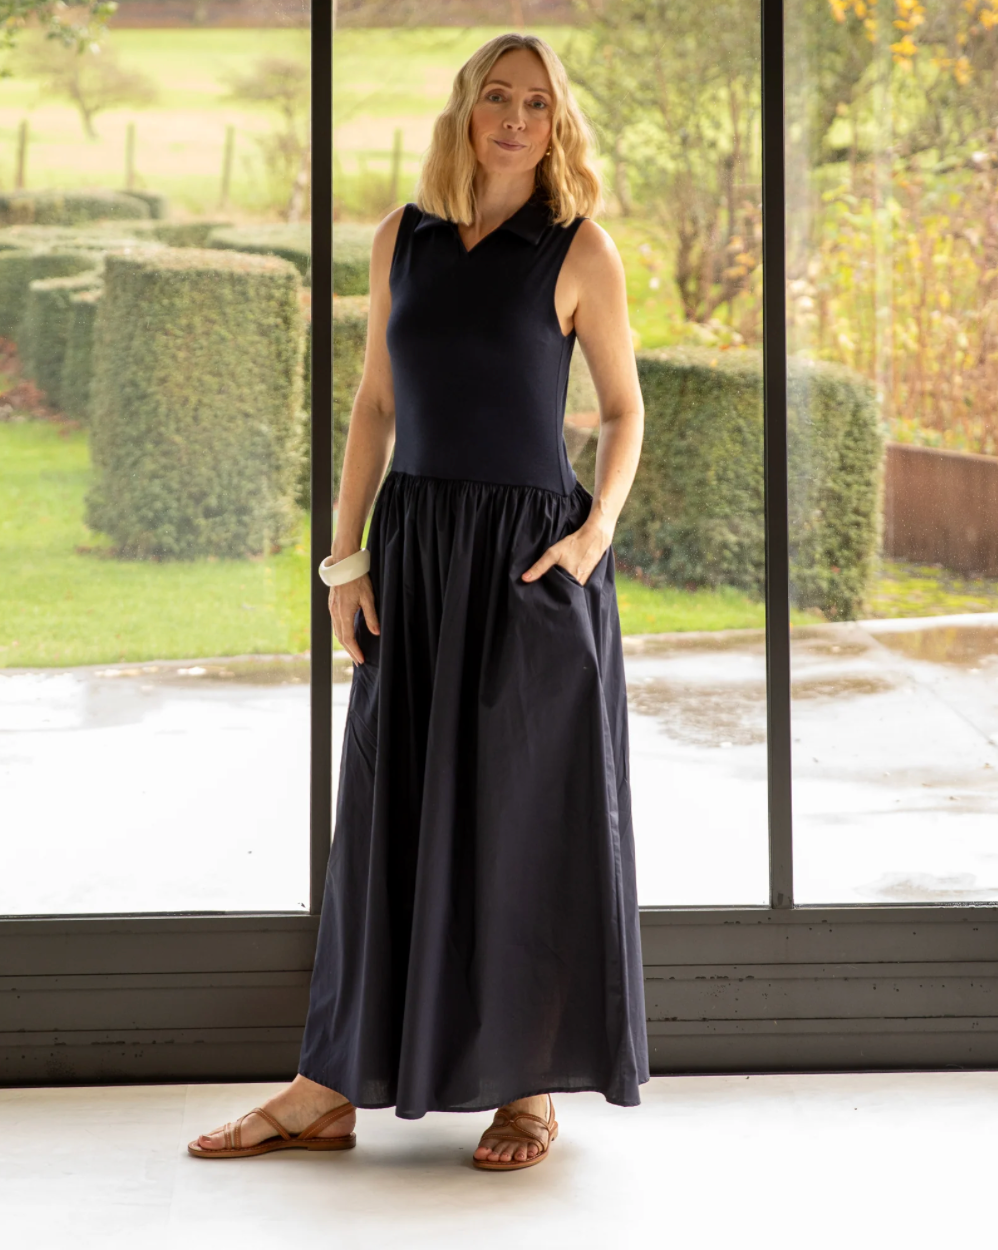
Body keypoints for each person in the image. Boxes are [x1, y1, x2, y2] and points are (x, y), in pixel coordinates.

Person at [190, 30, 648, 1172]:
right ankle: (327, 1087)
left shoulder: (579, 249)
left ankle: (527, 1089)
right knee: (383, 815)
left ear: (556, 123)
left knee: (522, 823)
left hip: (528, 568)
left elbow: (623, 412)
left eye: (535, 103)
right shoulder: (403, 235)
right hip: (414, 560)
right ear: (464, 110)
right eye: (496, 97)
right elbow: (375, 406)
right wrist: (343, 562)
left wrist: (593, 535)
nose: (514, 118)